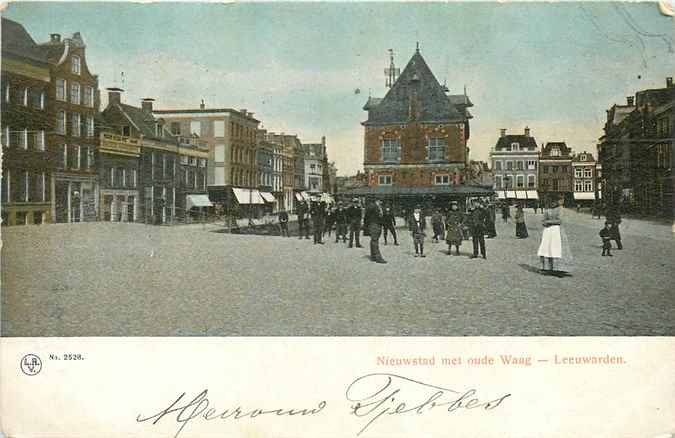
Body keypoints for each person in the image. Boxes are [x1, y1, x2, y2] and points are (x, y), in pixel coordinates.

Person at [537, 196, 562, 272]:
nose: (553, 203)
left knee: (553, 248)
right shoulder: (547, 210)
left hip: (555, 231)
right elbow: (543, 221)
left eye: (554, 202)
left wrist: (548, 222)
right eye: (552, 202)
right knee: (544, 247)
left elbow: (559, 221)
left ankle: (552, 268)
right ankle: (542, 267)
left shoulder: (559, 210)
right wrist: (546, 222)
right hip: (547, 230)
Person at [363, 199, 387, 263]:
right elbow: (366, 216)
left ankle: (373, 256)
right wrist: (366, 226)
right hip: (374, 224)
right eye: (381, 200)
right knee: (375, 240)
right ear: (377, 200)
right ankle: (378, 257)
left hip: (378, 225)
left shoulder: (379, 207)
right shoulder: (372, 206)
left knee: (374, 240)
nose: (382, 202)